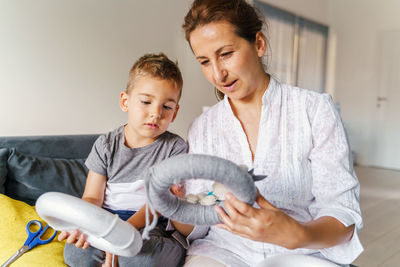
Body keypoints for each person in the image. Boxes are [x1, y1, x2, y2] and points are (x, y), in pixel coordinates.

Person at [177, 0, 364, 266]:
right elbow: (197, 224)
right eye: (205, 62)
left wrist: (297, 234)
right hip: (223, 252)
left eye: (226, 53)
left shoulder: (314, 110)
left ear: (259, 44)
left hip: (301, 252)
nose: (218, 74)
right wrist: (174, 206)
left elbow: (343, 214)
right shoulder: (202, 128)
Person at [58, 53, 189, 267]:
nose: (156, 113)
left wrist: (121, 236)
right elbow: (92, 197)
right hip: (106, 221)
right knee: (75, 254)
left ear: (174, 114)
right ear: (125, 102)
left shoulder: (175, 147)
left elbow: (157, 204)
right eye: (146, 102)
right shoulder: (106, 144)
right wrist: (83, 222)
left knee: (140, 258)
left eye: (167, 107)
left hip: (148, 223)